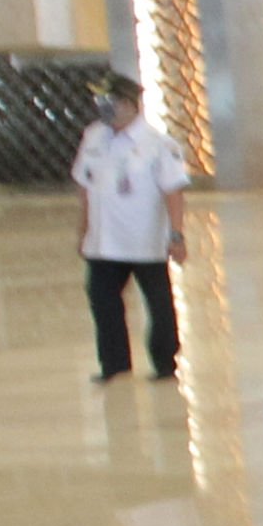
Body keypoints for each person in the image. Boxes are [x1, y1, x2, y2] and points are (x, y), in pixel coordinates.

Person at [70, 76, 189, 383]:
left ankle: (165, 364)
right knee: (103, 302)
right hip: (103, 242)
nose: (103, 109)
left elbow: (173, 192)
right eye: (99, 103)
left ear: (128, 104)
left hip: (144, 241)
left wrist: (176, 235)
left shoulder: (158, 145)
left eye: (108, 102)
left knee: (158, 304)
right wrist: (83, 230)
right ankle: (114, 365)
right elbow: (84, 185)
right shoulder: (94, 137)